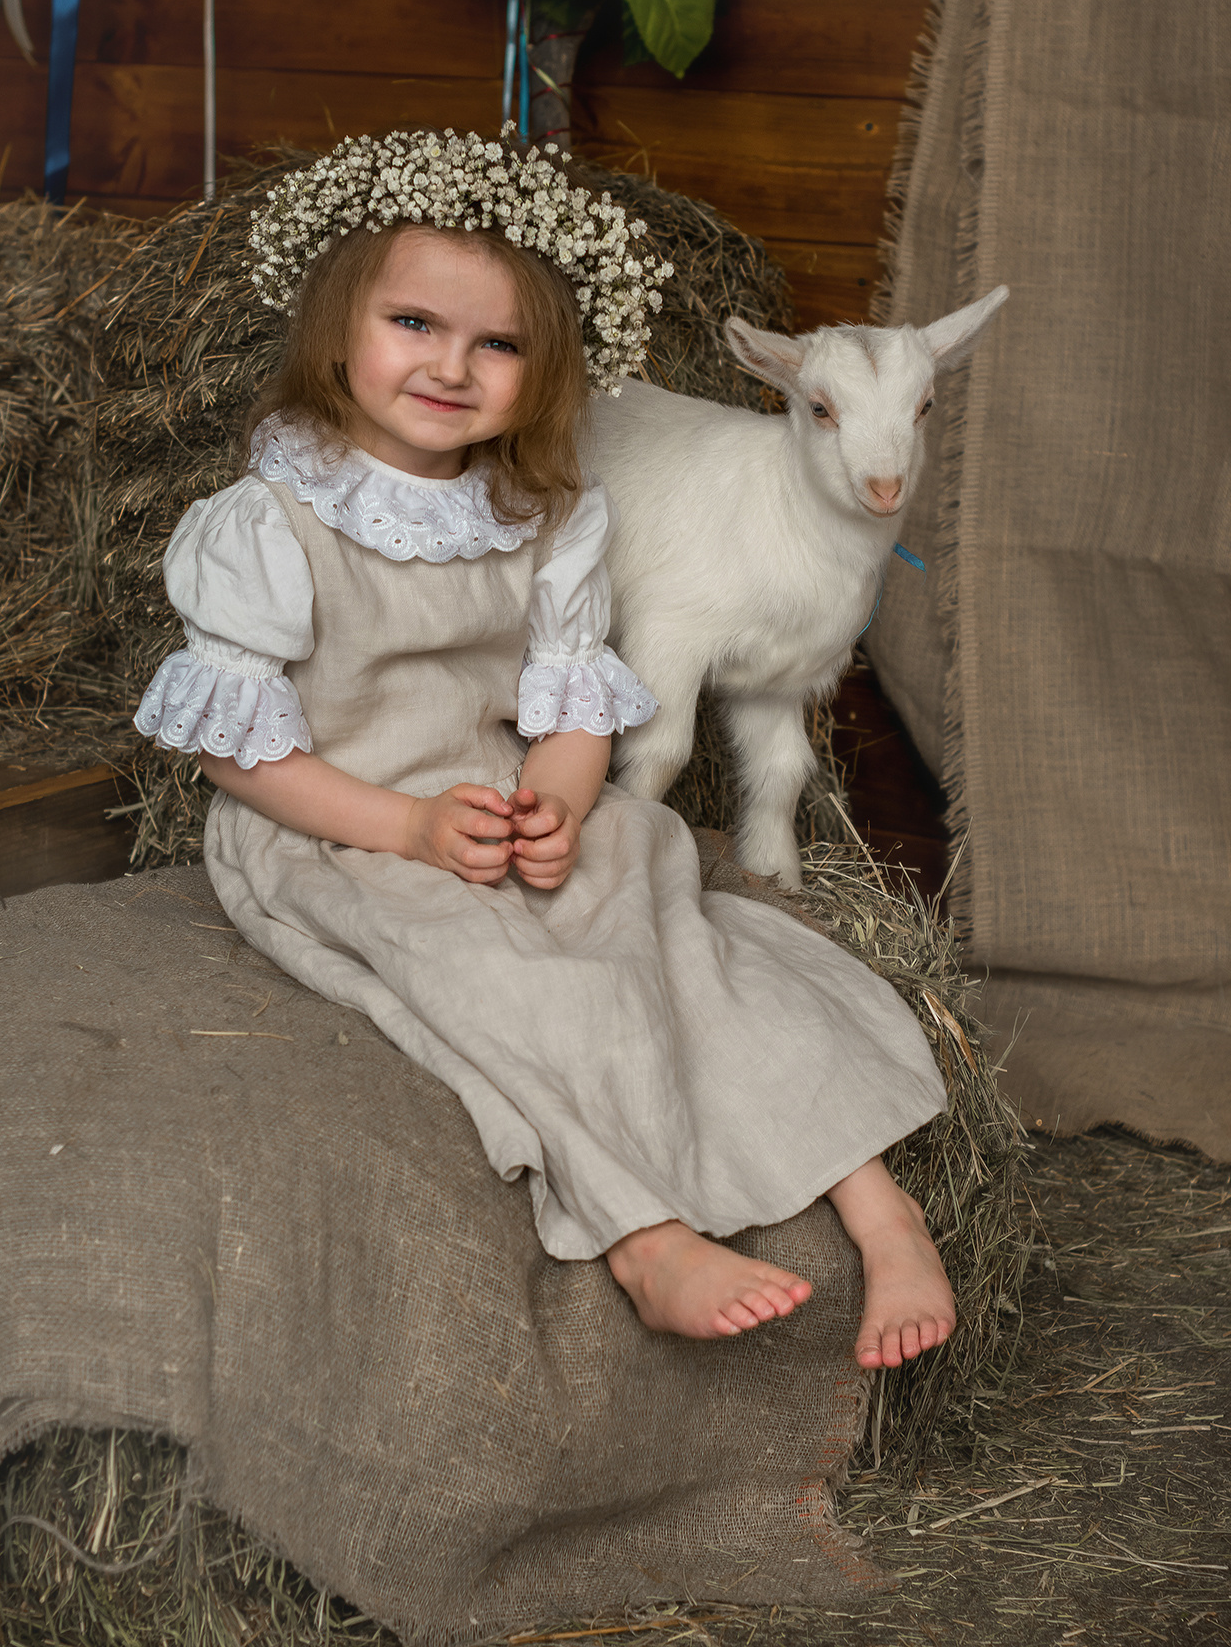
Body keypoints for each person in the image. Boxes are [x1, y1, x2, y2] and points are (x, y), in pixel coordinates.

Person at [135, 128, 956, 1365]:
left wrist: (561, 801)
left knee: (674, 931)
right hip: (335, 822)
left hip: (496, 797)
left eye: (499, 344)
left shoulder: (547, 513)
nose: (450, 366)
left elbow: (568, 707)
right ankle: (642, 1236)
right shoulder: (266, 521)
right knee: (505, 984)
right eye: (414, 323)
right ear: (336, 328)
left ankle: (875, 1205)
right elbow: (236, 756)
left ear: (549, 365)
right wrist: (409, 827)